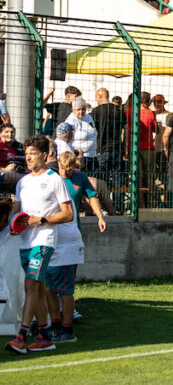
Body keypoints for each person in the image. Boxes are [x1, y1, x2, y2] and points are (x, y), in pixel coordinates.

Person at [5, 134, 73, 354]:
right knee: (40, 287)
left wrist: (42, 220)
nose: (29, 158)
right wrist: (13, 224)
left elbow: (68, 214)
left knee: (31, 285)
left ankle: (21, 336)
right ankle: (44, 336)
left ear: (44, 155)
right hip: (25, 241)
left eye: (33, 154)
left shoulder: (55, 179)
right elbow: (17, 209)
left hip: (44, 241)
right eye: (26, 154)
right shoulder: (23, 182)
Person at [44, 150, 107, 344]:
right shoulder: (50, 177)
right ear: (58, 165)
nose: (66, 172)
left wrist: (100, 217)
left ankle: (67, 327)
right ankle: (55, 324)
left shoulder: (80, 177)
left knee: (65, 286)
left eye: (70, 169)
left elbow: (91, 196)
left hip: (70, 238)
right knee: (48, 286)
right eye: (63, 169)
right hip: (49, 236)